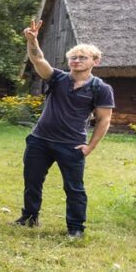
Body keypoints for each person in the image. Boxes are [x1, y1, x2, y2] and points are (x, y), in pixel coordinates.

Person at [18, 20, 114, 239]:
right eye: (73, 57)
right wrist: (32, 40)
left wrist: (90, 147)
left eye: (82, 57)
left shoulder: (101, 88)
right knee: (32, 181)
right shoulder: (58, 78)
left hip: (71, 145)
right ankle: (29, 217)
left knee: (74, 188)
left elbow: (103, 121)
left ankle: (76, 228)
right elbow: (38, 59)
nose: (76, 61)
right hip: (39, 140)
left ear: (95, 61)